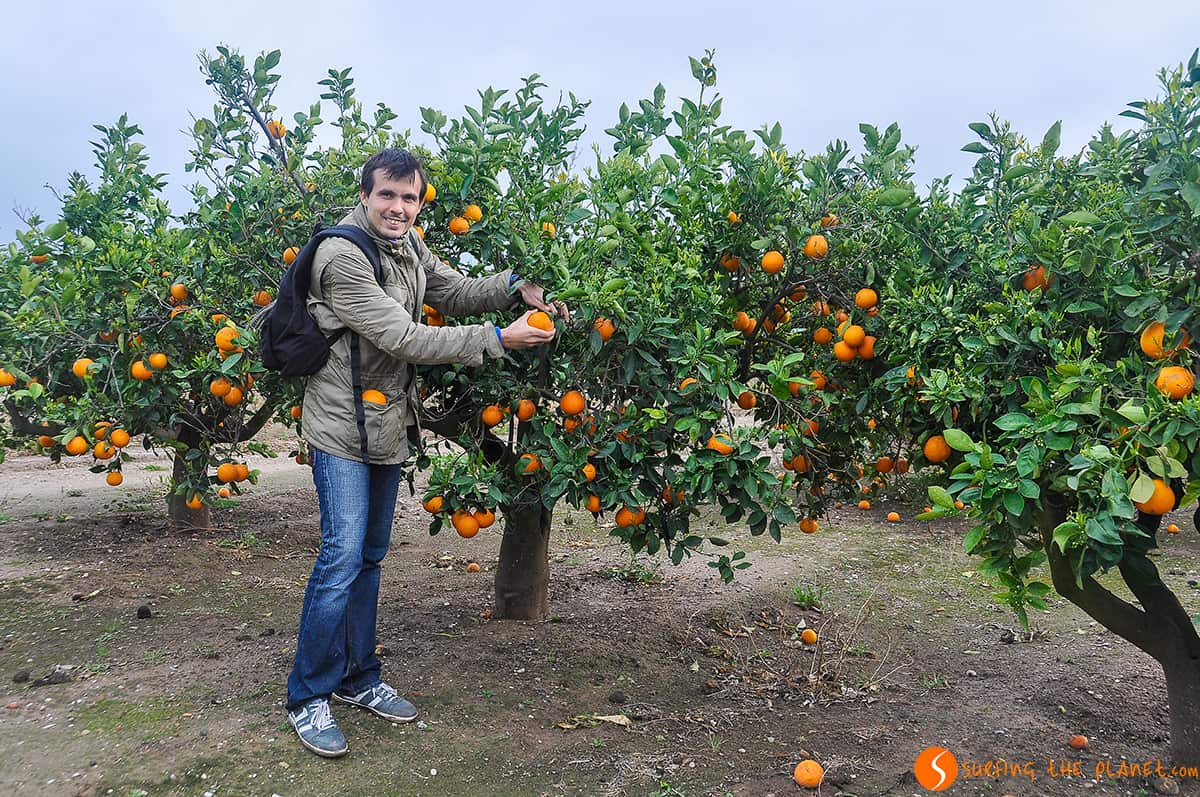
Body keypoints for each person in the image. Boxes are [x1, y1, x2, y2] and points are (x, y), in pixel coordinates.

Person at [285, 147, 566, 758]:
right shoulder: (341, 258)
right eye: (388, 195)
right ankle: (308, 695)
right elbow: (403, 335)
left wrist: (514, 288)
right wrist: (498, 339)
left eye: (410, 198)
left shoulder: (409, 245)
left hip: (386, 425)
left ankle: (359, 678)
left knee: (369, 558)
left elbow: (454, 290)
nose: (399, 207)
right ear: (365, 195)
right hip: (340, 429)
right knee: (340, 558)